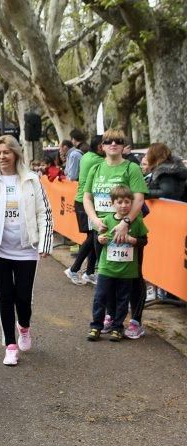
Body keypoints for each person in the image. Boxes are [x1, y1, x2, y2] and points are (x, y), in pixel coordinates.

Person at [0, 134, 53, 366]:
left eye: (6, 152)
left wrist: (45, 243)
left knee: (23, 297)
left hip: (26, 248)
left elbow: (44, 212)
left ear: (16, 153)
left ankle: (23, 326)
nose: (2, 156)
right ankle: (10, 344)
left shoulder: (31, 179)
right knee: (5, 295)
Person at [82, 128, 149, 339]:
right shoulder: (96, 168)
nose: (113, 144)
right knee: (107, 274)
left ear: (123, 146)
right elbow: (87, 197)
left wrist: (126, 223)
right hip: (102, 229)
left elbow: (139, 199)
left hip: (128, 228)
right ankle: (111, 316)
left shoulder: (131, 168)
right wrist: (94, 220)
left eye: (118, 141)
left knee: (133, 275)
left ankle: (135, 321)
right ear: (102, 146)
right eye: (109, 141)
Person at [87, 185, 148, 342]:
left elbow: (144, 241)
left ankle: (117, 327)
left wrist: (131, 240)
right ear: (112, 203)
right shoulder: (107, 219)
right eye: (119, 202)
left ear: (132, 203)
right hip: (107, 268)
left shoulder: (137, 221)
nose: (123, 205)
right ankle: (96, 326)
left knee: (123, 299)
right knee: (100, 297)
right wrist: (101, 239)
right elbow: (100, 237)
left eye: (127, 202)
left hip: (127, 270)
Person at [65, 135, 104, 285]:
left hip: (84, 202)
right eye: (107, 144)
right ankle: (74, 269)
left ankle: (89, 272)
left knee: (93, 237)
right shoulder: (98, 160)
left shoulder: (87, 155)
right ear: (101, 147)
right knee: (92, 237)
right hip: (85, 203)